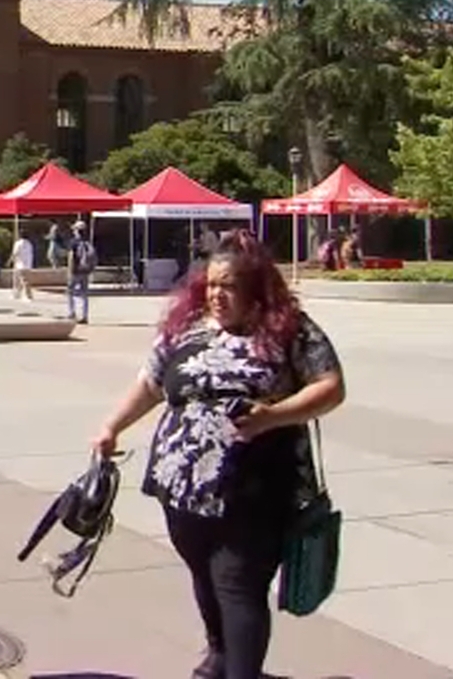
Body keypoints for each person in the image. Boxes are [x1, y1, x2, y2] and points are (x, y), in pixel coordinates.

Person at [89, 231, 346, 679]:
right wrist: (112, 426)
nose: (216, 295)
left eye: (228, 286)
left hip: (255, 488)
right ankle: (220, 655)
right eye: (210, 285)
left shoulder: (289, 329)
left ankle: (240, 669)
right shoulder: (186, 328)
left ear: (255, 288)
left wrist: (273, 415)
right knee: (204, 576)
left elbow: (330, 388)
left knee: (238, 585)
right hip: (182, 489)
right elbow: (151, 383)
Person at [65, 220, 95, 324]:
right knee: (84, 294)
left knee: (70, 292)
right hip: (85, 271)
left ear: (77, 231)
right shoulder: (88, 243)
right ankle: (84, 316)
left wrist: (69, 271)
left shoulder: (73, 242)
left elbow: (71, 257)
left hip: (75, 270)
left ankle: (71, 313)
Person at [9, 228, 35, 300]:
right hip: (28, 264)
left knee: (22, 281)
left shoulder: (18, 243)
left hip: (20, 264)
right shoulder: (29, 244)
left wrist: (10, 261)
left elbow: (15, 253)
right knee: (21, 280)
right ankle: (17, 294)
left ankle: (28, 296)